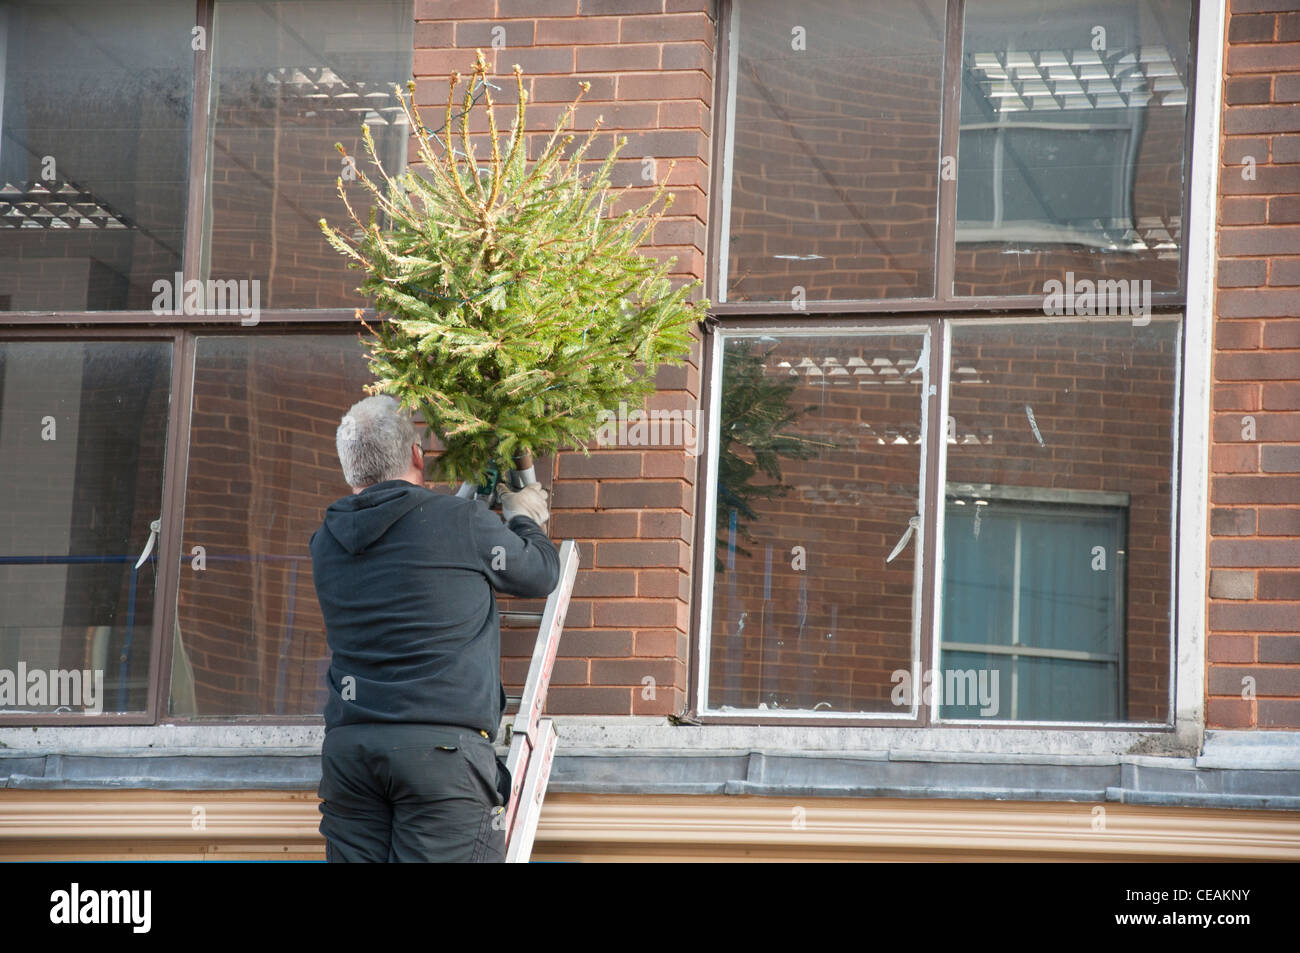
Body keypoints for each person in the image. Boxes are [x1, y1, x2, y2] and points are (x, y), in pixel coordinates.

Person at [309, 395, 559, 862]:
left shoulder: (326, 541)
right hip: (440, 758)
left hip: (351, 755)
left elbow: (409, 543)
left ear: (350, 471)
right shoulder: (460, 523)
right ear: (417, 456)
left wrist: (458, 507)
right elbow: (540, 574)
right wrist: (525, 516)